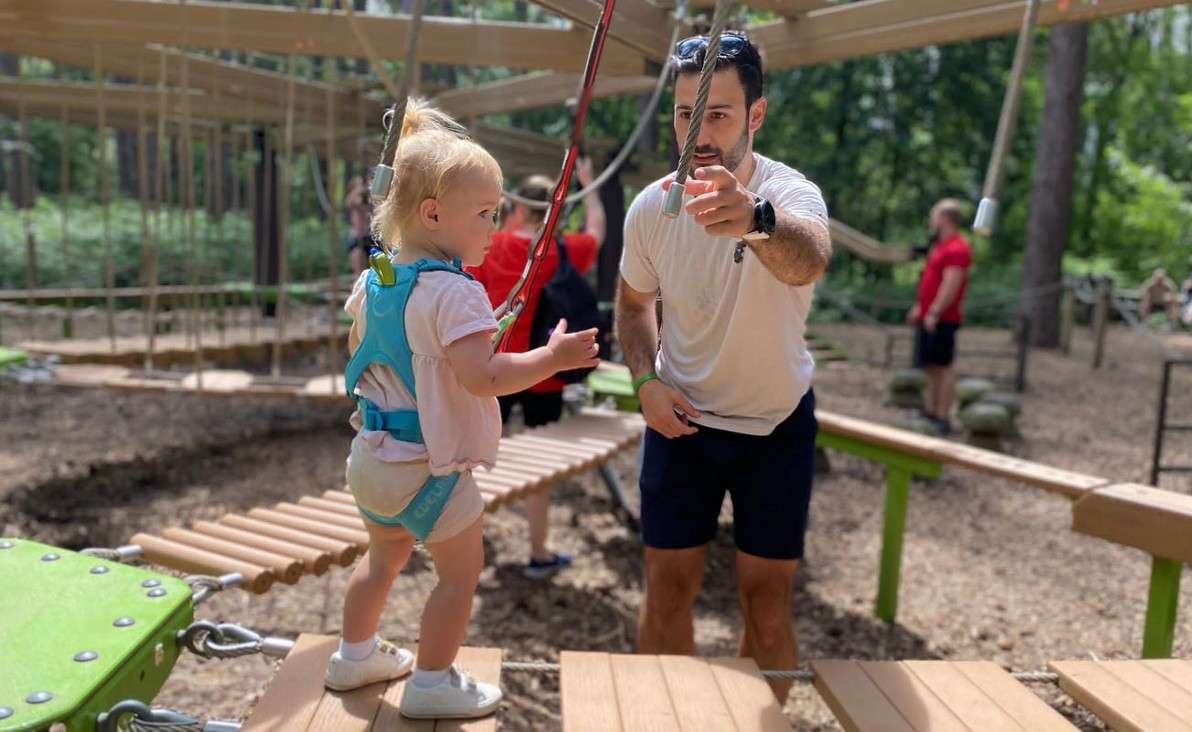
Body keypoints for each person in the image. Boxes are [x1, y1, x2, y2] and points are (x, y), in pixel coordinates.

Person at [329, 98, 600, 719]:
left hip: (371, 458)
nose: (492, 224)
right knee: (459, 575)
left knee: (381, 560)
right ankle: (430, 683)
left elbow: (371, 347)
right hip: (430, 468)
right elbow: (484, 377)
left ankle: (354, 656)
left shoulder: (376, 280)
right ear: (432, 213)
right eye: (483, 213)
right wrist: (550, 360)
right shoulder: (455, 291)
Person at [614, 31, 831, 703]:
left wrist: (756, 220)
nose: (698, 133)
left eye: (718, 114)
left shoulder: (789, 194)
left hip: (775, 426)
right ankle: (666, 719)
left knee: (766, 606)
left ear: (755, 116)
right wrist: (645, 383)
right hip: (683, 424)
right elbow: (630, 307)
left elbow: (811, 257)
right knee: (667, 590)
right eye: (685, 114)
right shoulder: (652, 206)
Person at [467, 158, 605, 579]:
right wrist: (589, 187)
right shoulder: (561, 252)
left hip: (498, 369)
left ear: (520, 208)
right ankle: (539, 551)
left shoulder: (493, 246)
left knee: (476, 458)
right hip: (546, 369)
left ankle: (469, 545)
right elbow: (597, 231)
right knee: (540, 466)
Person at [906, 199, 972, 435]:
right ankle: (932, 410)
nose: (931, 220)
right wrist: (920, 307)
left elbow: (951, 284)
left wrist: (935, 311)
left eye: (934, 215)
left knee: (943, 367)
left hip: (944, 318)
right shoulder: (940, 246)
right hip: (929, 315)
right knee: (931, 365)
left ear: (945, 218)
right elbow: (931, 281)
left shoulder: (958, 248)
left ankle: (944, 416)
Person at [345, 176, 374, 275]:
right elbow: (350, 201)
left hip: (369, 238)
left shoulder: (366, 203)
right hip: (357, 239)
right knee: (359, 272)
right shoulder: (352, 201)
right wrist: (361, 188)